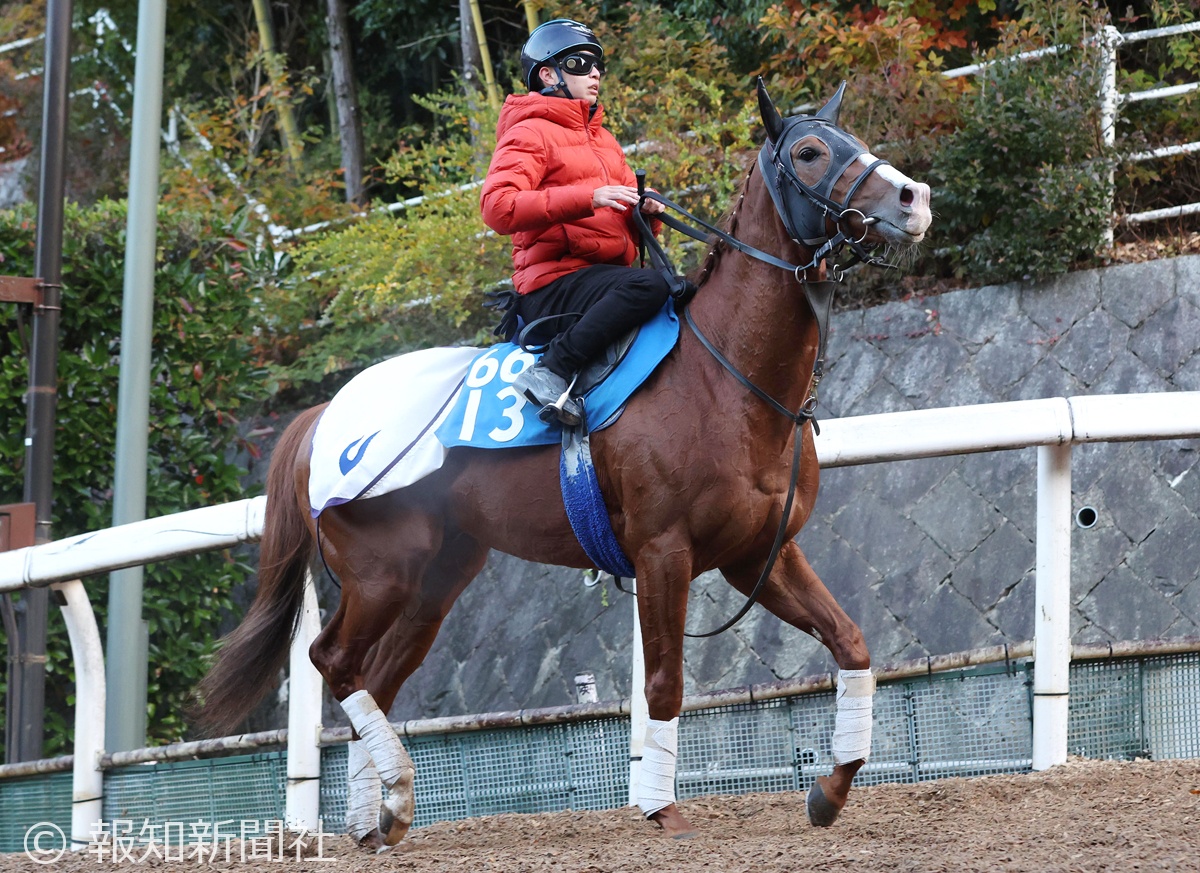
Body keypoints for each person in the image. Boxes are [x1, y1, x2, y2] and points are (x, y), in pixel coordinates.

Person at [480, 18, 669, 427]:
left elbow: (622, 222)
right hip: (553, 285)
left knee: (681, 289)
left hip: (601, 280)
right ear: (548, 74)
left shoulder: (604, 139)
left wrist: (646, 212)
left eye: (598, 65)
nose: (595, 72)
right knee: (651, 285)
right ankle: (551, 370)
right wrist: (588, 197)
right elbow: (498, 207)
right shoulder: (530, 132)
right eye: (581, 63)